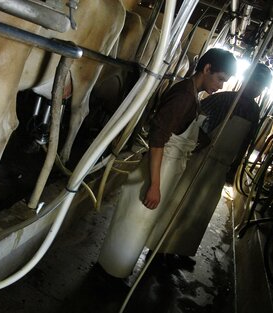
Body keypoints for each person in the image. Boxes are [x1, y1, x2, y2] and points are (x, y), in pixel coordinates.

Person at [98, 48, 237, 278]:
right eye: (220, 79)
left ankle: (117, 270)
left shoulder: (193, 95)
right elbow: (157, 139)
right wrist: (154, 184)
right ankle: (108, 273)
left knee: (138, 226)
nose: (221, 86)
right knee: (132, 225)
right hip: (158, 170)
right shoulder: (184, 95)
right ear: (207, 69)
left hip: (165, 169)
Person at [150, 63, 272, 257]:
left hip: (221, 166)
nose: (256, 88)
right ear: (246, 79)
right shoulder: (222, 99)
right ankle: (159, 248)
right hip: (200, 158)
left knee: (201, 210)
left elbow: (246, 143)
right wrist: (194, 144)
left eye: (261, 86)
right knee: (180, 202)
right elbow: (194, 122)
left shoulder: (255, 113)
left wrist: (235, 167)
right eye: (254, 82)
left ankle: (181, 251)